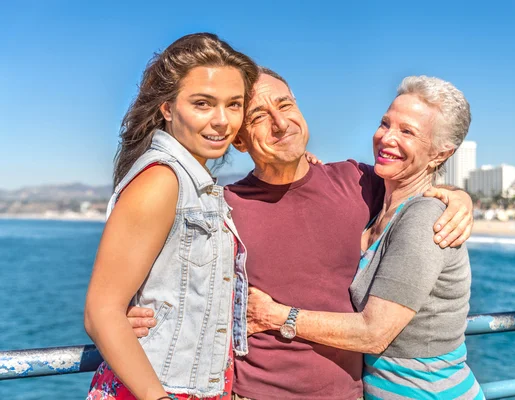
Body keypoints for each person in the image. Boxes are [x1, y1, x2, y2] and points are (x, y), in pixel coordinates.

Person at [127, 69, 474, 400]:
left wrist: (457, 196)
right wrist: (139, 313)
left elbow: (415, 192)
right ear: (240, 140)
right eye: (258, 116)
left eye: (284, 105)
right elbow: (169, 281)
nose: (279, 123)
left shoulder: (357, 182)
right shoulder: (222, 207)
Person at [246, 76, 485, 399]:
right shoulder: (376, 200)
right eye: (386, 123)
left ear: (441, 154)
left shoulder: (425, 218)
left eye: (407, 132)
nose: (387, 138)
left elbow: (374, 333)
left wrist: (275, 315)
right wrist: (301, 162)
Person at [84, 33, 259, 400]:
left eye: (234, 105)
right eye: (203, 103)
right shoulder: (162, 180)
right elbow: (101, 311)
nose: (222, 121)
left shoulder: (198, 185)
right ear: (166, 107)